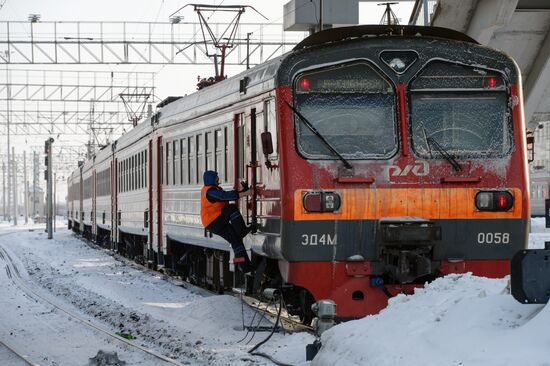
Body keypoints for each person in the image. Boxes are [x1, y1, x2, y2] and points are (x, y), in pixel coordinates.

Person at [200, 170, 253, 273]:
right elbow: (224, 196)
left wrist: (243, 192)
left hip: (213, 222)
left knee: (236, 241)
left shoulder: (211, 189)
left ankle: (243, 266)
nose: (218, 180)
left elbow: (225, 195)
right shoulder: (210, 192)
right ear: (211, 179)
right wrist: (246, 193)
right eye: (216, 178)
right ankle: (242, 230)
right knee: (232, 208)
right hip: (214, 221)